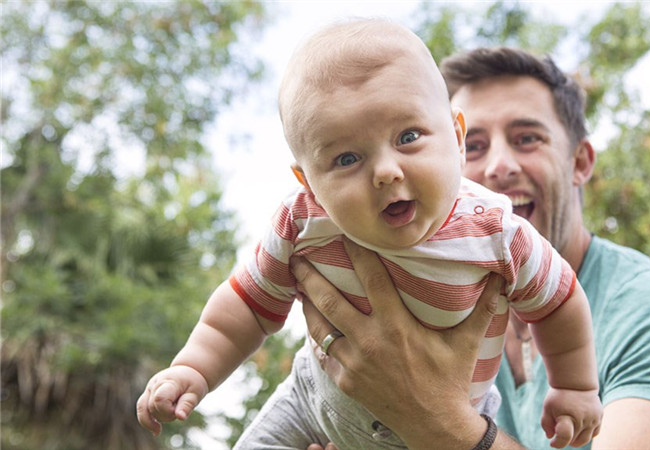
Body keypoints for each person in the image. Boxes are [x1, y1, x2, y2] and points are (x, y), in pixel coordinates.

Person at [136, 21, 602, 449]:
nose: (384, 171)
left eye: (408, 137)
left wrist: (573, 385)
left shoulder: (498, 233)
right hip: (311, 406)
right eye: (345, 159)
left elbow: (559, 302)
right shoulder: (302, 222)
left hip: (436, 436)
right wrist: (193, 367)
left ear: (456, 139)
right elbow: (244, 307)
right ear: (308, 182)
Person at [295, 47, 650, 449]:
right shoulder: (404, 305)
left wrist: (438, 424)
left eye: (527, 138)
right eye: (472, 146)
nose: (498, 167)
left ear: (580, 162)